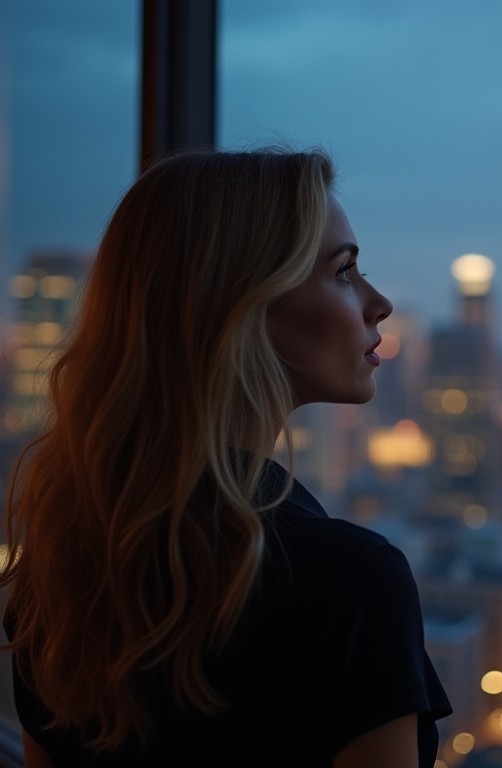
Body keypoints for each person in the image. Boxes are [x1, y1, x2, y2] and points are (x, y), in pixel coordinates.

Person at [1, 149, 451, 767]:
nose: (379, 303)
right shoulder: (351, 582)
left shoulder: (59, 568)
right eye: (344, 271)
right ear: (244, 305)